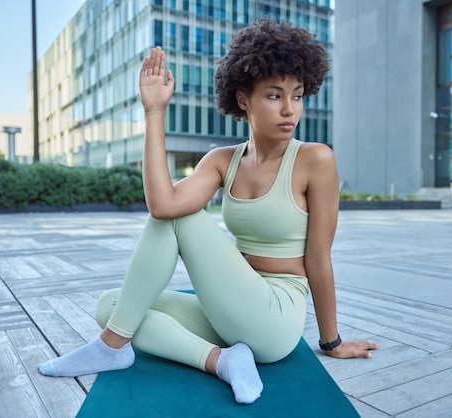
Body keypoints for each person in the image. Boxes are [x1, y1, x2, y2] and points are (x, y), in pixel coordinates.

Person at [38, 17, 378, 404]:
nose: (289, 109)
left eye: (297, 95)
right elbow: (161, 203)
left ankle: (111, 348)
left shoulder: (315, 159)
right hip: (230, 308)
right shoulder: (222, 160)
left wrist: (330, 341)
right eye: (274, 95)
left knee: (180, 218)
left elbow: (319, 258)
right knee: (112, 307)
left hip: (274, 317)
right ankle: (221, 361)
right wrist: (154, 112)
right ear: (243, 98)